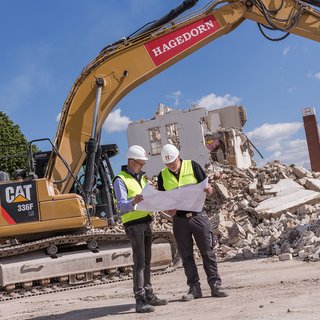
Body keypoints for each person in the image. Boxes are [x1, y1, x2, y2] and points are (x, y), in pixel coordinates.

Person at [157, 143, 228, 301]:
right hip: (179, 220)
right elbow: (163, 199)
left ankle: (215, 285)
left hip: (198, 216)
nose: (171, 166)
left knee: (207, 252)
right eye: (167, 164)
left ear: (178, 158)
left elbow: (206, 188)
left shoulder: (192, 166)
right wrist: (168, 209)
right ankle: (194, 288)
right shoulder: (162, 175)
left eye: (173, 162)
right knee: (186, 256)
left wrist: (209, 191)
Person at [113, 145, 168, 313]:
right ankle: (140, 299)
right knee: (139, 263)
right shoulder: (120, 179)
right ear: (131, 162)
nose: (143, 166)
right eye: (141, 163)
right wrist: (134, 202)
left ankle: (149, 294)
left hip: (145, 221)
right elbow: (121, 206)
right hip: (133, 225)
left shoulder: (142, 178)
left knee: (146, 262)